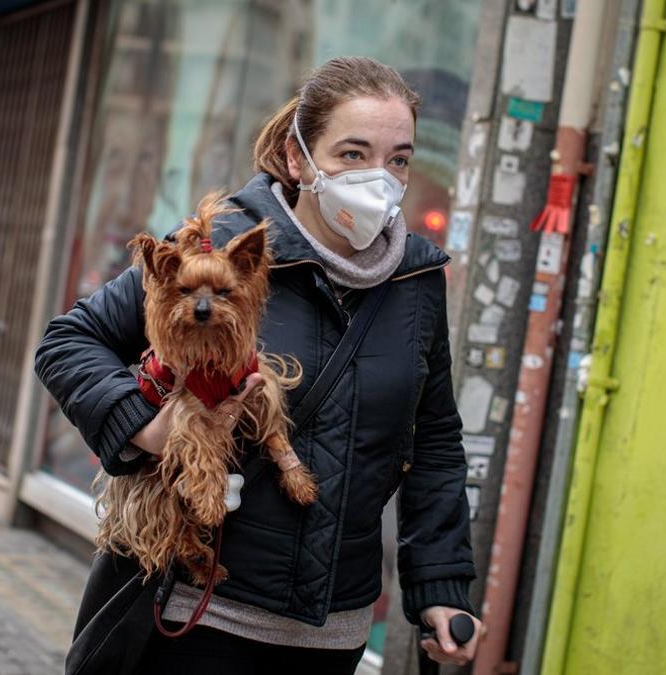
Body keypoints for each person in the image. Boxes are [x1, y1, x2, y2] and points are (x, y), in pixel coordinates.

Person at [35, 56, 481, 673]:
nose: (378, 178)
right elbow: (68, 341)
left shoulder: (416, 282)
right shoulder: (218, 248)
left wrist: (440, 587)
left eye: (397, 159)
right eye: (353, 154)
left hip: (332, 636)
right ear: (299, 159)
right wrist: (146, 425)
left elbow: (432, 439)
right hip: (197, 615)